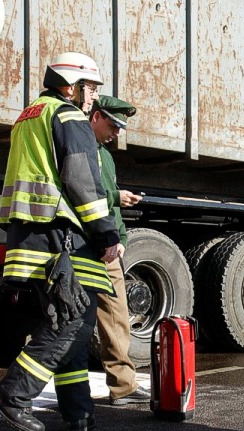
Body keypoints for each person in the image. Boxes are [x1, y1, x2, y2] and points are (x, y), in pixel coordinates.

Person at [0, 52, 121, 431]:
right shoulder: (67, 115)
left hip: (29, 235)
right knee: (73, 322)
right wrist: (107, 234)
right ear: (69, 86)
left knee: (68, 323)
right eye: (90, 87)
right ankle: (12, 397)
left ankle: (77, 412)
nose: (93, 96)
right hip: (60, 237)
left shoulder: (29, 114)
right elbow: (82, 180)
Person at [89, 95, 151, 405]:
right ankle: (123, 386)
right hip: (92, 245)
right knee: (112, 316)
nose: (117, 133)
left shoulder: (105, 156)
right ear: (96, 116)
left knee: (114, 316)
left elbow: (109, 206)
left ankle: (122, 384)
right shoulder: (84, 148)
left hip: (104, 244)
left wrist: (122, 237)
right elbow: (91, 195)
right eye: (113, 125)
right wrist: (116, 196)